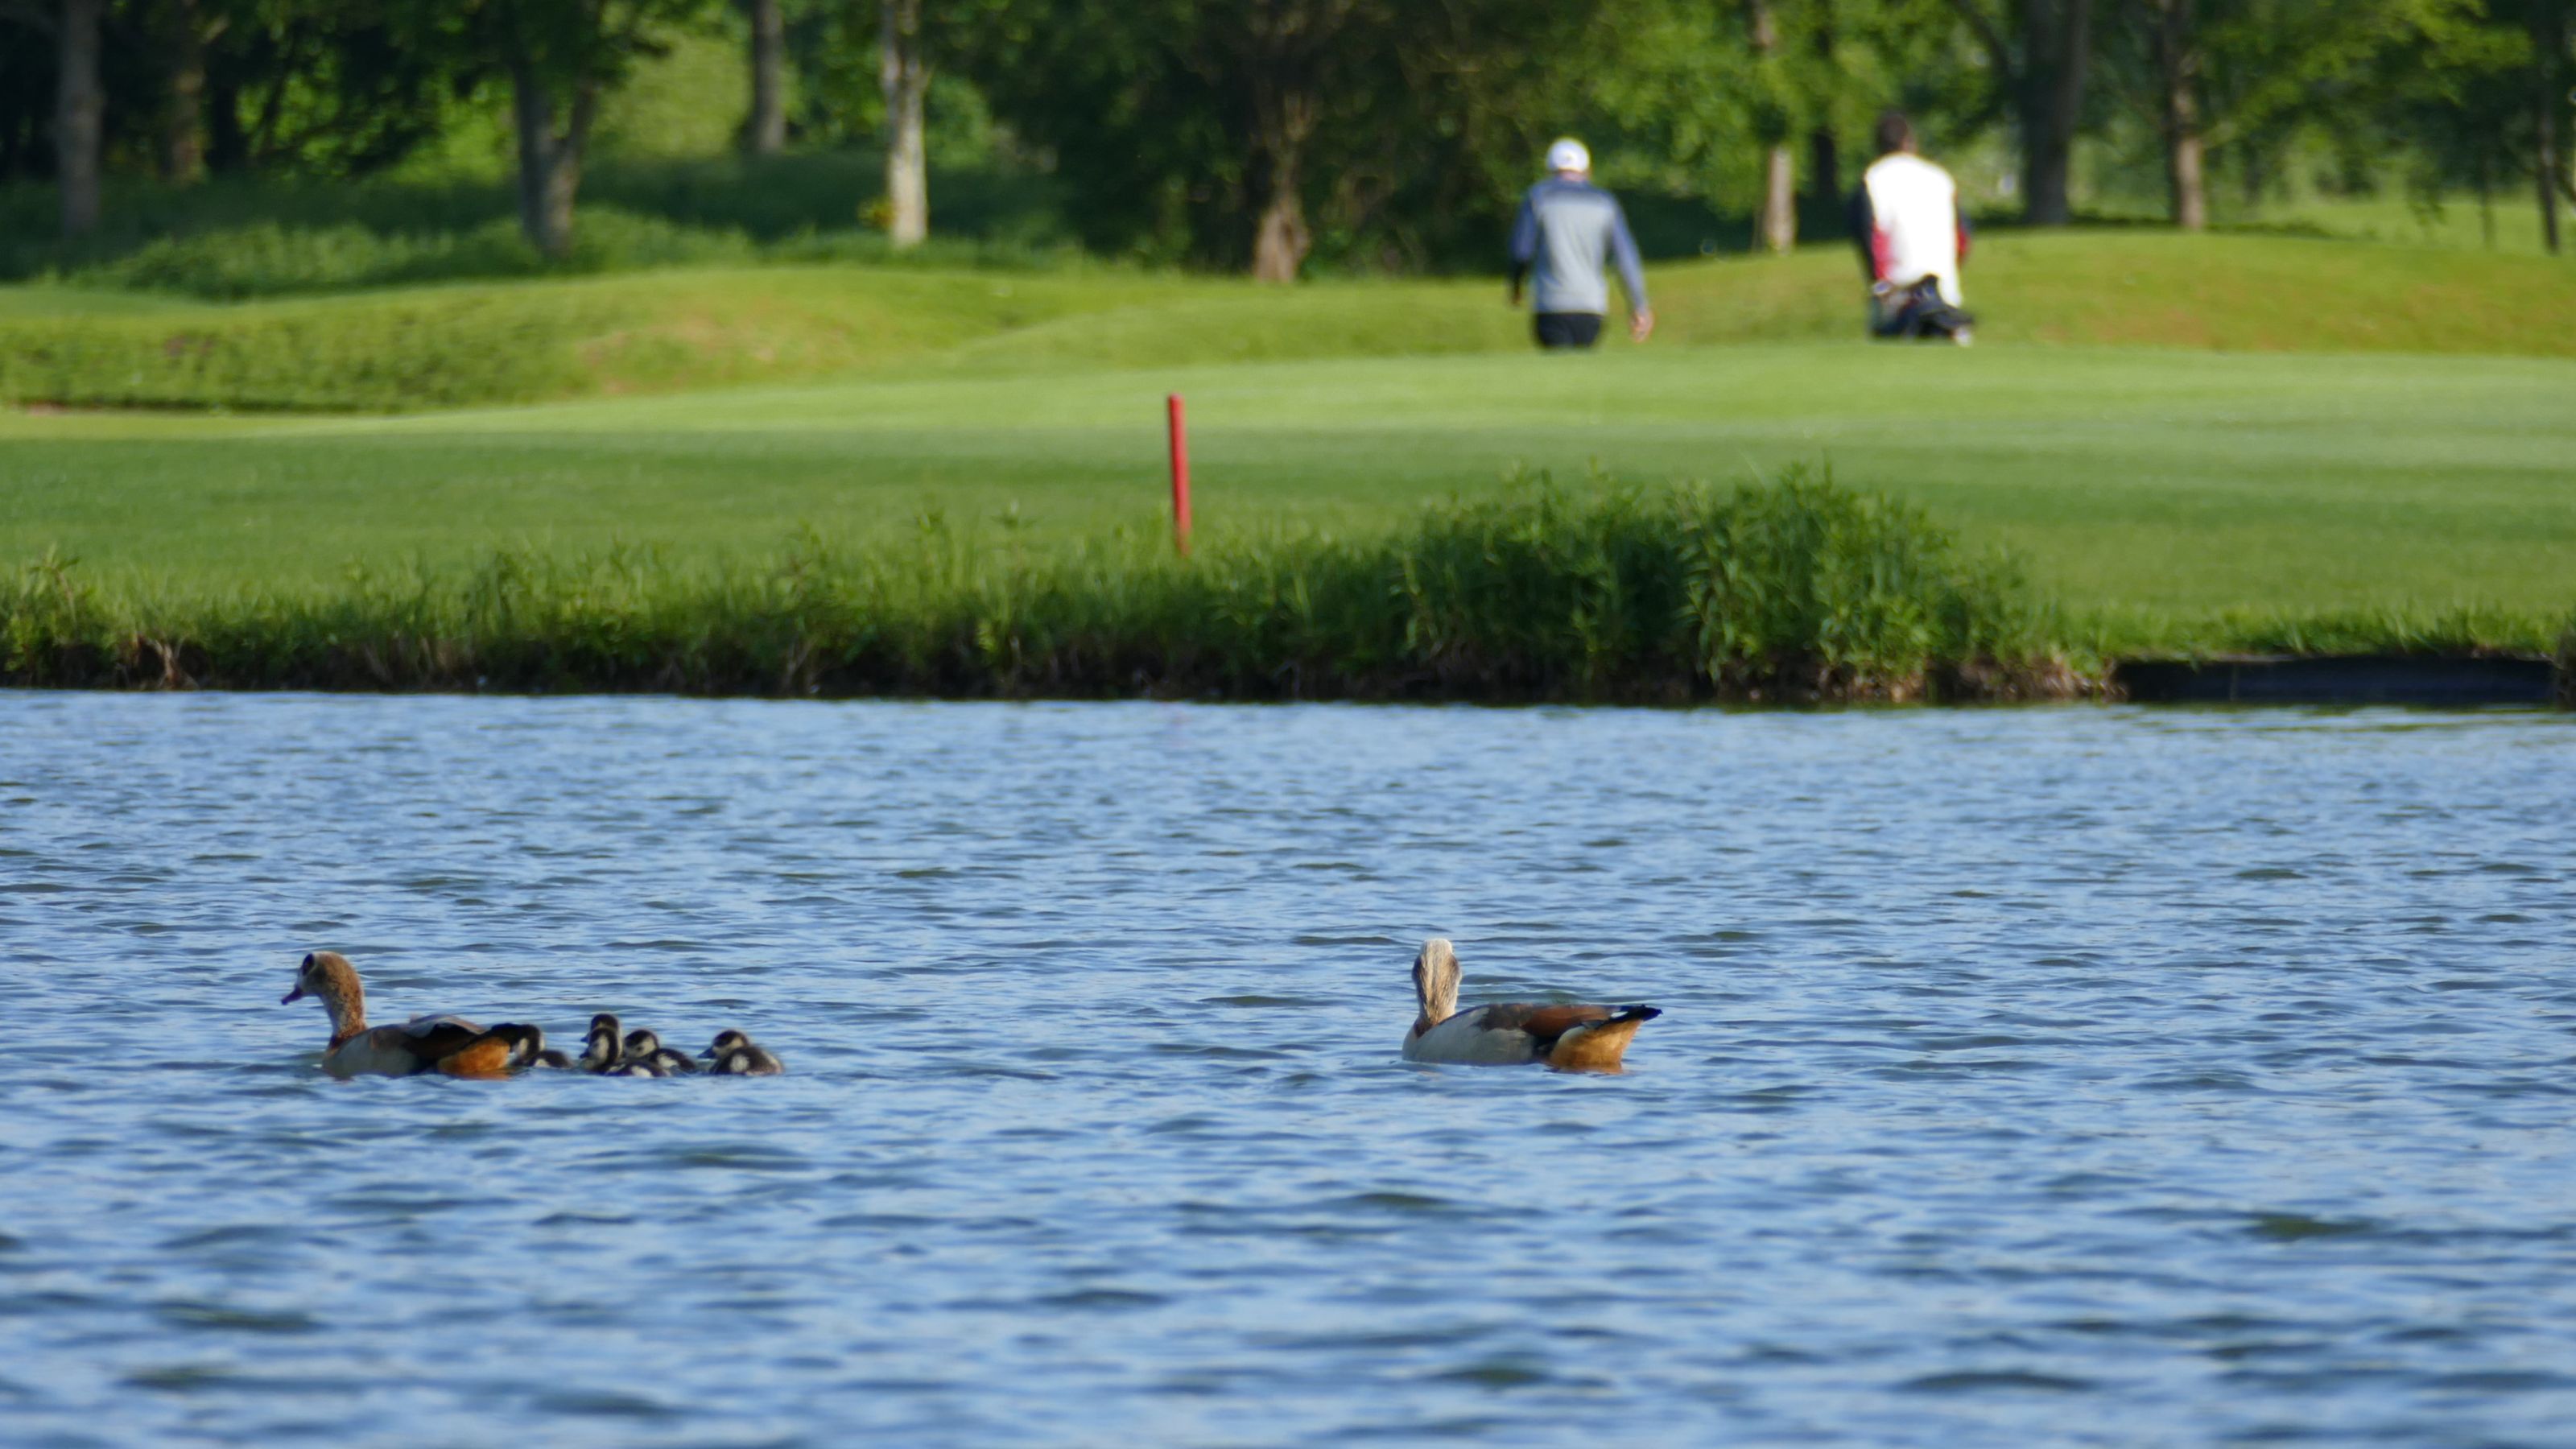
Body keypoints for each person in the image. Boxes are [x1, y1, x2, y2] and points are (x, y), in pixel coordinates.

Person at [1509, 138, 1653, 350]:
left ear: (1550, 169)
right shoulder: (1605, 202)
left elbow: (1521, 251)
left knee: (1559, 376)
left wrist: (1516, 287)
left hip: (1551, 305)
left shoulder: (1537, 198)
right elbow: (1625, 258)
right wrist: (1638, 305)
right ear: (1587, 170)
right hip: (1591, 308)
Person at [1848, 110, 1974, 344]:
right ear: (1909, 141)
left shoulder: (1872, 180)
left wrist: (1880, 285)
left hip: (1897, 298)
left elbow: (1868, 239)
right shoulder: (1940, 178)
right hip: (1945, 294)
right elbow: (1963, 238)